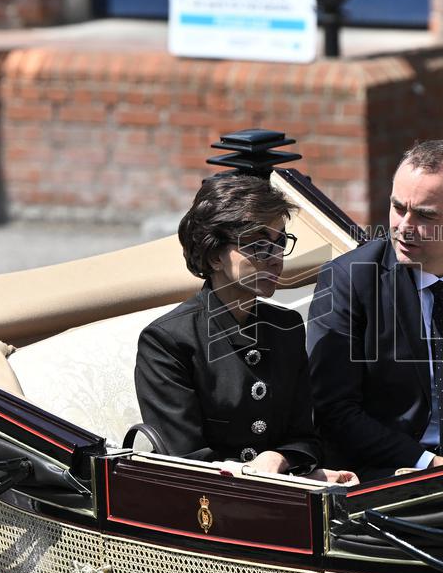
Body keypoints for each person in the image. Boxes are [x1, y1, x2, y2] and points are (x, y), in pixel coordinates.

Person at [134, 173, 355, 483]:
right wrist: (253, 473)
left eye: (280, 243)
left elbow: (306, 437)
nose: (276, 258)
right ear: (214, 256)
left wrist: (280, 458)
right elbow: (185, 460)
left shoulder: (286, 327)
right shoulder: (167, 341)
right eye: (259, 246)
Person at [306, 140, 443, 478]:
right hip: (387, 472)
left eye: (425, 215)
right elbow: (333, 409)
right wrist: (430, 464)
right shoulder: (351, 280)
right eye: (398, 207)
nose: (404, 226)